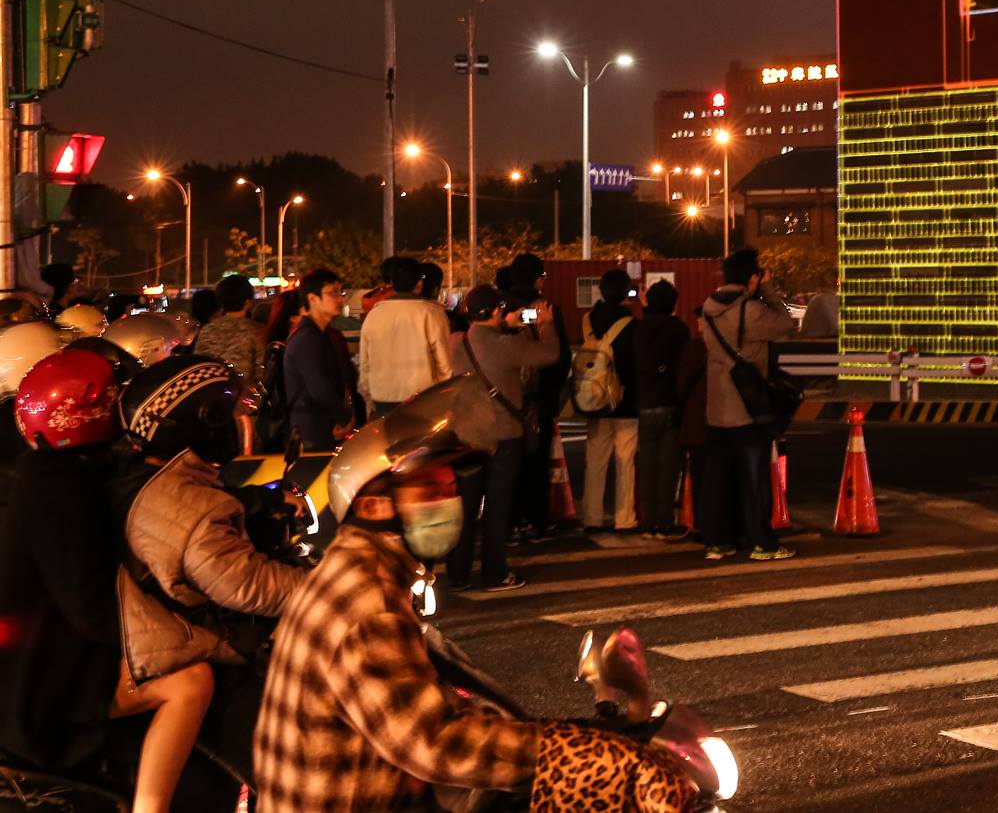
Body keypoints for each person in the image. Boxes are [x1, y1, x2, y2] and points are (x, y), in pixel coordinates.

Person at [252, 376, 691, 813]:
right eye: (429, 490)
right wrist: (593, 755)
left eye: (450, 489)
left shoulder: (356, 572)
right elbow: (440, 742)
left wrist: (577, 734)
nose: (449, 502)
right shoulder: (367, 606)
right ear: (374, 506)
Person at [0, 348, 217, 813]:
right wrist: (194, 636)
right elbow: (96, 611)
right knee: (191, 681)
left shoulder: (57, 473)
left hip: (47, 658)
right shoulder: (60, 492)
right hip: (42, 685)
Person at [112, 355, 308, 790]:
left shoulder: (150, 475)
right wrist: (336, 587)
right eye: (230, 415)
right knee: (301, 764)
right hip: (186, 651)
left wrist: (259, 502)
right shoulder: (181, 504)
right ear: (203, 424)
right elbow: (249, 585)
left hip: (166, 640)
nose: (239, 425)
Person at [444, 285, 558, 592]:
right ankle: (495, 573)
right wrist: (543, 324)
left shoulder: (456, 342)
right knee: (497, 505)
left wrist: (508, 326)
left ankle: (458, 574)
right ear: (497, 311)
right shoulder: (507, 346)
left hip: (467, 435)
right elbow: (549, 354)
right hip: (503, 434)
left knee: (466, 505)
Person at [698, 248, 795, 561]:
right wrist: (767, 289)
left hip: (716, 408)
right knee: (754, 479)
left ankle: (717, 541)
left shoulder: (707, 311)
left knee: (717, 478)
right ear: (751, 278)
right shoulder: (751, 312)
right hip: (747, 408)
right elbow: (785, 323)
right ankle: (761, 542)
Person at [508, 254, 573, 537]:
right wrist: (554, 391)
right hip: (539, 398)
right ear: (538, 278)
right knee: (536, 460)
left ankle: (511, 519)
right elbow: (560, 356)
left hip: (505, 398)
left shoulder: (502, 307)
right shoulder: (544, 308)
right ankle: (536, 518)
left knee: (508, 462)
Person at [578, 269, 640, 534]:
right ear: (626, 293)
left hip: (594, 399)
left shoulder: (587, 320)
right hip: (625, 401)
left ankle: (591, 517)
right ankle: (624, 518)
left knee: (595, 462)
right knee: (625, 461)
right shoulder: (632, 324)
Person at [356, 256, 452, 416]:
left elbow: (365, 365)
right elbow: (444, 365)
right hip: (423, 399)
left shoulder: (373, 315)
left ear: (392, 284)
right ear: (419, 284)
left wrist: (369, 399)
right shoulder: (432, 314)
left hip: (382, 399)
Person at [631, 281, 690, 540]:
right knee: (668, 467)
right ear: (674, 304)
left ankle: (648, 522)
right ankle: (665, 523)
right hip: (670, 402)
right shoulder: (678, 328)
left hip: (645, 403)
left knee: (647, 466)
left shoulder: (640, 328)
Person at [282, 270, 354, 455]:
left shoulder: (319, 334)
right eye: (333, 293)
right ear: (312, 298)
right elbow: (319, 387)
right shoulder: (307, 338)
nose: (340, 299)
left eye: (341, 292)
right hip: (312, 429)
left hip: (321, 425)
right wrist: (344, 417)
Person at [195, 274, 266, 455]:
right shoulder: (257, 332)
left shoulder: (207, 331)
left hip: (209, 405)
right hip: (245, 408)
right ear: (248, 301)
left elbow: (198, 364)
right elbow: (262, 372)